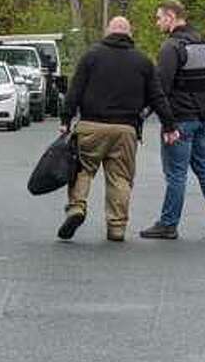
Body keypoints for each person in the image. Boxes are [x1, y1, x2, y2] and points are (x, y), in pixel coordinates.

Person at [58, 17, 180, 243]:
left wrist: (66, 118)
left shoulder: (91, 56)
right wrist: (169, 125)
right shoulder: (143, 61)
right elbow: (157, 96)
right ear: (129, 33)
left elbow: (75, 89)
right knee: (120, 178)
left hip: (91, 126)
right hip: (126, 129)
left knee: (81, 170)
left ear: (108, 32)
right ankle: (116, 227)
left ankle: (76, 208)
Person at [140, 0, 205, 240]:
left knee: (176, 174)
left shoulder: (171, 47)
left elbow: (160, 88)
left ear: (171, 17)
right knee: (204, 168)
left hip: (181, 119)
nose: (157, 22)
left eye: (159, 17)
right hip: (204, 119)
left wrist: (144, 115)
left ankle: (168, 223)